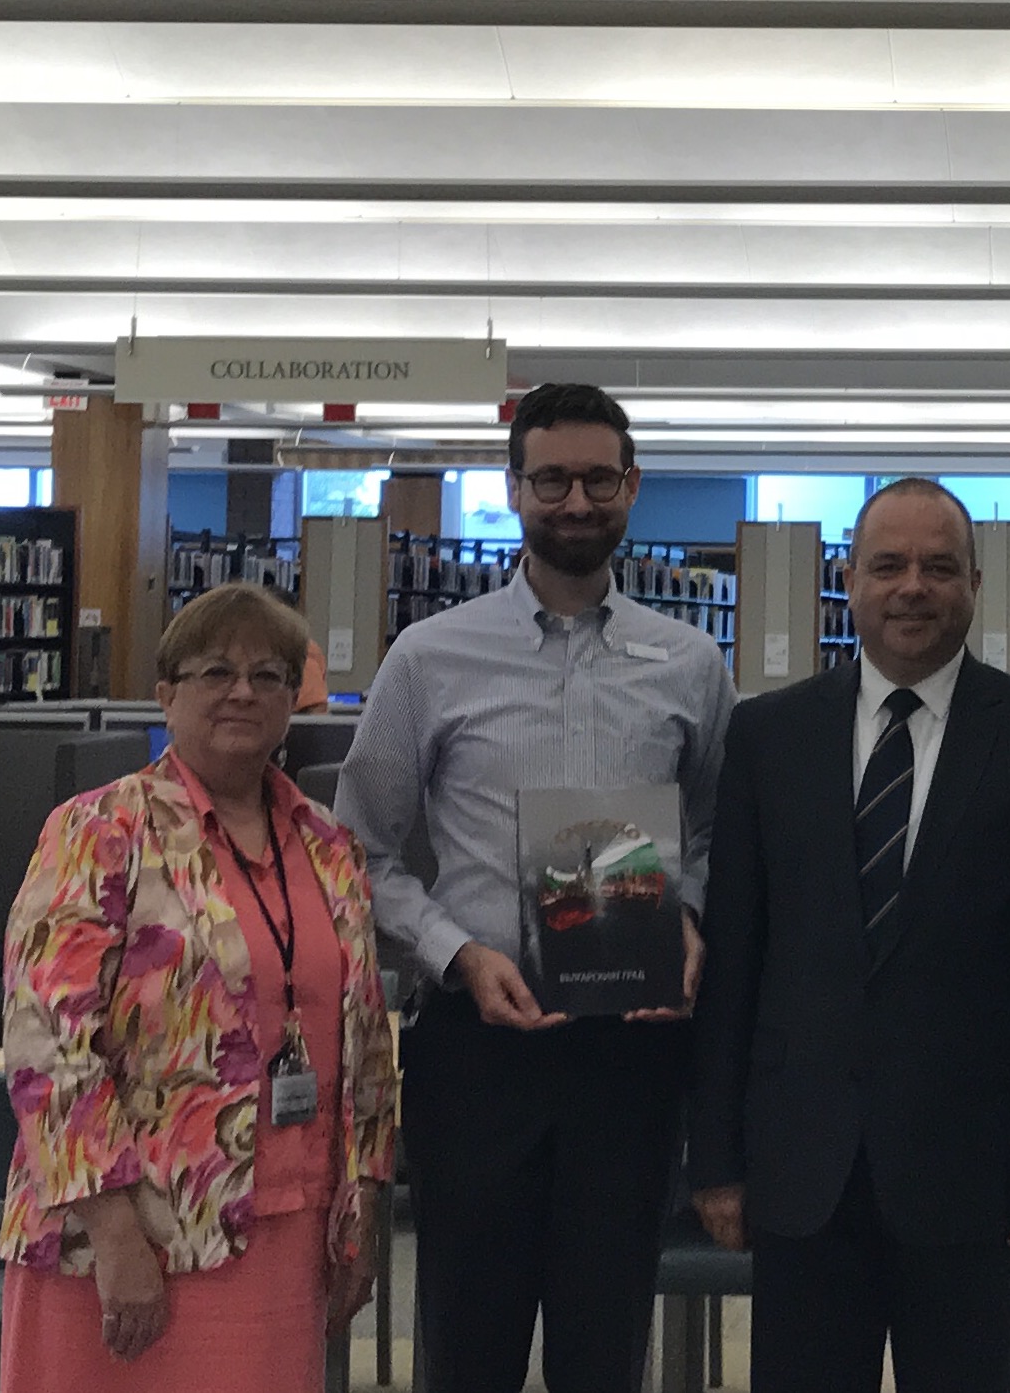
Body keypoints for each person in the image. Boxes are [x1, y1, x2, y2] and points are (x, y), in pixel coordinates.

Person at [335, 382, 736, 1393]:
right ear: (514, 488)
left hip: (632, 1048)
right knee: (468, 1346)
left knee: (606, 1347)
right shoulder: (430, 657)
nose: (576, 500)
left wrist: (690, 915)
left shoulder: (690, 663)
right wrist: (456, 953)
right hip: (480, 1048)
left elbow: (718, 830)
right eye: (551, 479)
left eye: (599, 478)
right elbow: (358, 852)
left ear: (632, 486)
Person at [689, 476, 1010, 1393]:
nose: (912, 587)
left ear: (974, 585)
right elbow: (735, 963)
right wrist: (716, 1159)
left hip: (975, 1178)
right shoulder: (767, 737)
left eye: (938, 567)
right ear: (849, 580)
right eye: (887, 566)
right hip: (801, 1170)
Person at [0, 583, 399, 1393]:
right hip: (127, 1237)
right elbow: (47, 1043)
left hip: (288, 1234)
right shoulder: (101, 830)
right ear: (166, 694)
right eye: (216, 671)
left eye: (268, 675)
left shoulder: (329, 846)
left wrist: (361, 1215)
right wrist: (114, 1233)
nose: (243, 691)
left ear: (293, 701)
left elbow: (365, 1041)